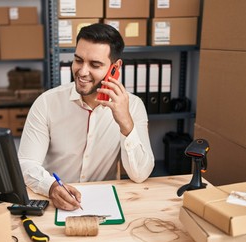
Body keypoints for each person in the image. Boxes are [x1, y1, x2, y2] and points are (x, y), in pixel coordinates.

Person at [18, 23, 154, 210]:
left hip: (103, 204)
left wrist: (126, 123)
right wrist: (50, 187)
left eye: (95, 65)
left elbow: (140, 174)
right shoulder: (47, 103)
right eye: (78, 60)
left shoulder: (134, 106)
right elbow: (25, 163)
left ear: (115, 68)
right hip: (53, 203)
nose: (82, 71)